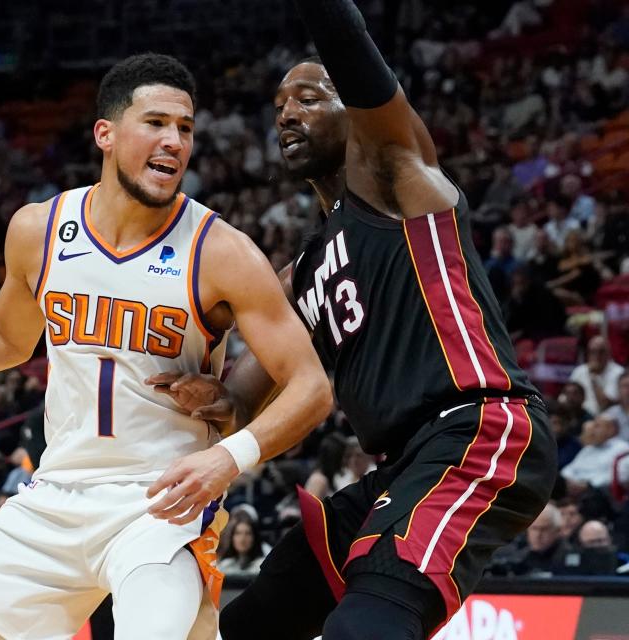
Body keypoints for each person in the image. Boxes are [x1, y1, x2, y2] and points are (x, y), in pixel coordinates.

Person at [0, 52, 331, 640]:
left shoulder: (221, 250)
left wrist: (228, 460)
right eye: (155, 123)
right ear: (105, 132)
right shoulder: (39, 229)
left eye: (185, 128)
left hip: (161, 503)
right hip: (53, 495)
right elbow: (4, 337)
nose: (174, 141)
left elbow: (309, 387)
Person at [149, 4, 556, 637]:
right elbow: (241, 398)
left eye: (309, 98)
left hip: (480, 428)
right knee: (259, 616)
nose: (286, 113)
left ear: (354, 110)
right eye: (280, 105)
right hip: (402, 464)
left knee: (364, 626)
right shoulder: (301, 270)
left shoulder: (399, 178)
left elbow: (350, 46)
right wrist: (209, 394)